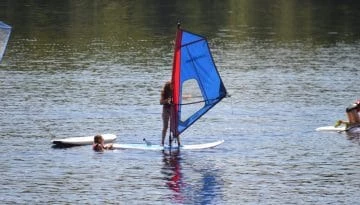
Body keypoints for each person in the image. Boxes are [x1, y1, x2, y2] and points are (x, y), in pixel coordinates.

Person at [160, 81, 173, 146]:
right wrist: (167, 100)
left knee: (174, 127)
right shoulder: (164, 93)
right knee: (165, 127)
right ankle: (162, 142)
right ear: (168, 87)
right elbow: (161, 102)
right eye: (171, 85)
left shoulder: (174, 92)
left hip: (173, 110)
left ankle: (179, 143)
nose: (172, 86)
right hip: (166, 110)